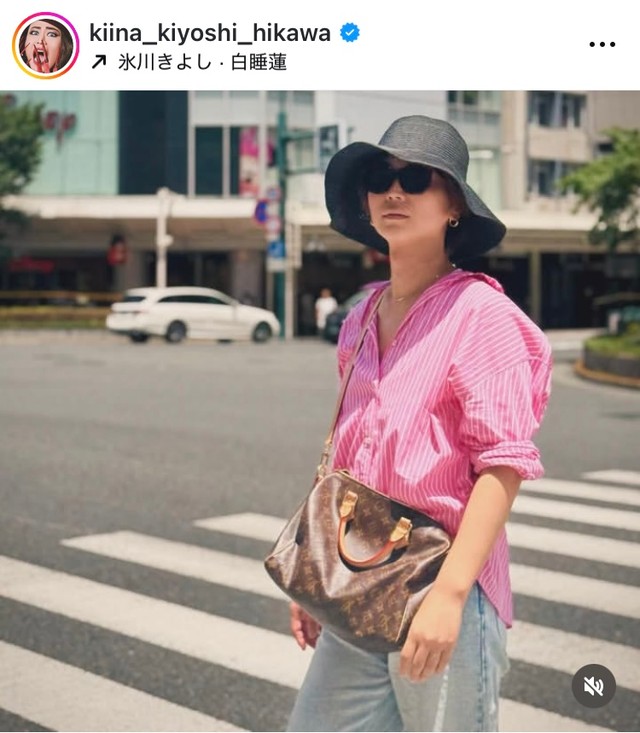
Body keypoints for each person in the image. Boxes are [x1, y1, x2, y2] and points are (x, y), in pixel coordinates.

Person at [286, 115, 553, 731]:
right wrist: (316, 569)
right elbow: (348, 456)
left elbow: (503, 466)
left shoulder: (482, 314)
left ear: (454, 204)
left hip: (442, 581)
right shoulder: (362, 318)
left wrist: (450, 598)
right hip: (357, 577)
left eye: (415, 179)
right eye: (380, 178)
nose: (393, 191)